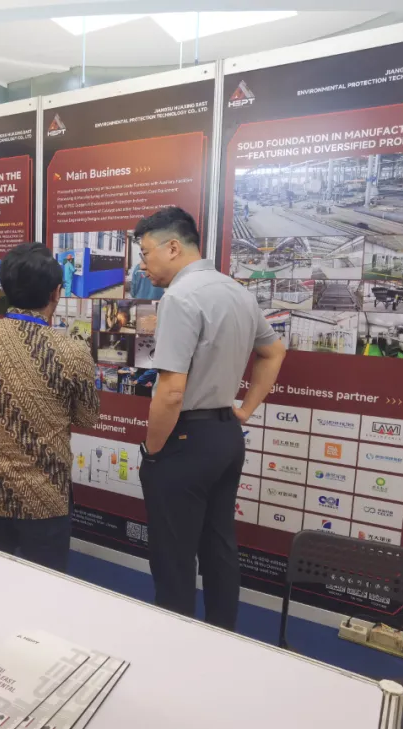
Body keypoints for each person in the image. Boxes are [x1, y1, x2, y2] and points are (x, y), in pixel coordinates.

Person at [135, 206, 286, 630]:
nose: (143, 265)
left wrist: (154, 451)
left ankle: (176, 644)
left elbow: (171, 391)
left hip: (185, 441)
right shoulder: (237, 291)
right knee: (219, 545)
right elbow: (274, 352)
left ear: (173, 247)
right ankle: (223, 636)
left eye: (146, 253)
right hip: (225, 437)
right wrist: (245, 410)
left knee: (173, 556)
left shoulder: (180, 297)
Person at [0, 242, 99, 571]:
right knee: (44, 589)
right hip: (45, 496)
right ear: (56, 292)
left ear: (6, 289)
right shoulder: (72, 350)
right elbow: (87, 417)